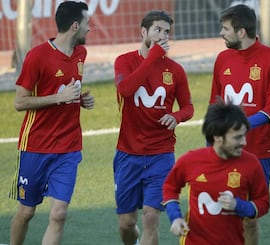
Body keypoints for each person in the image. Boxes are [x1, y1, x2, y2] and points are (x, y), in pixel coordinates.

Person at [8, 1, 93, 245]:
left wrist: (79, 100)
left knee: (58, 214)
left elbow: (67, 91)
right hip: (35, 146)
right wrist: (60, 98)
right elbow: (19, 102)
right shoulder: (37, 56)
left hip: (68, 147)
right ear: (75, 25)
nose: (90, 28)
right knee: (26, 213)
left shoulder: (81, 54)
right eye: (87, 23)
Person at [113, 10, 194, 245]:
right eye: (157, 30)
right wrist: (153, 57)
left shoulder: (175, 70)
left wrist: (177, 116)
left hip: (161, 154)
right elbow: (126, 89)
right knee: (127, 223)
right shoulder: (124, 61)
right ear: (143, 32)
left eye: (166, 31)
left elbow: (188, 106)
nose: (162, 35)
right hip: (128, 154)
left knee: (151, 217)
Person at [209, 4, 270, 244]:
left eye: (225, 29)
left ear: (241, 31)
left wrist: (240, 125)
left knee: (249, 216)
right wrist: (211, 138)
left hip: (259, 151)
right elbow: (215, 102)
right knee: (221, 211)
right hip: (224, 150)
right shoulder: (222, 59)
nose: (221, 33)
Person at [162, 100, 270, 244]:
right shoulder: (191, 161)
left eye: (244, 135)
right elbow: (170, 187)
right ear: (218, 138)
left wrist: (239, 206)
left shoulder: (251, 164)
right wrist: (175, 217)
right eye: (237, 137)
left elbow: (263, 202)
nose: (244, 142)